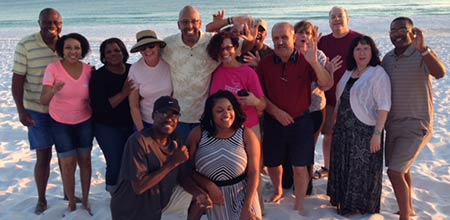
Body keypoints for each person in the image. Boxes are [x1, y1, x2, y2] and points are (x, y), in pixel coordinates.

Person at [257, 22, 332, 215]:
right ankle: (278, 190)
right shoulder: (265, 63)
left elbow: (326, 84)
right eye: (276, 38)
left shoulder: (307, 60)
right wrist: (277, 113)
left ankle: (299, 203)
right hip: (274, 121)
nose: (280, 42)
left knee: (300, 166)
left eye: (284, 37)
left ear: (293, 38)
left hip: (301, 121)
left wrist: (314, 62)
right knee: (273, 163)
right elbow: (260, 95)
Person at [382, 17, 446, 220]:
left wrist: (424, 49)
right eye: (393, 30)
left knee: (394, 171)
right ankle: (407, 208)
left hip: (417, 124)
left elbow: (440, 73)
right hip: (393, 125)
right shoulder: (388, 59)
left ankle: (405, 218)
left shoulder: (421, 54)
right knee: (403, 169)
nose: (397, 34)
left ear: (413, 32)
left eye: (402, 29)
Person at [110, 96, 211, 220]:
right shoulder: (138, 141)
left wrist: (198, 194)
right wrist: (173, 162)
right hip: (131, 210)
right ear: (153, 116)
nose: (169, 119)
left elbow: (182, 177)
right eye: (163, 113)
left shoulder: (175, 140)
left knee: (202, 190)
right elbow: (139, 187)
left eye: (174, 115)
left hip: (158, 204)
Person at [327, 36, 391, 215]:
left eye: (365, 49)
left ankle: (358, 206)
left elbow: (384, 105)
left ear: (372, 52)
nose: (361, 53)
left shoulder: (378, 73)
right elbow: (340, 99)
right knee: (344, 166)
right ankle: (343, 201)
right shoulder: (349, 72)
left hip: (365, 131)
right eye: (357, 49)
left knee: (361, 171)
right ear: (352, 53)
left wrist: (377, 133)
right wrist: (334, 121)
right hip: (344, 130)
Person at [278, 20, 340, 194]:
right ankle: (289, 179)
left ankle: (307, 185)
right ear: (293, 36)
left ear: (313, 37)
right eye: (300, 32)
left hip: (314, 109)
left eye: (308, 33)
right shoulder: (287, 54)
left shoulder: (318, 55)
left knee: (307, 148)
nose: (304, 35)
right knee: (289, 145)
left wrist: (314, 62)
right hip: (290, 109)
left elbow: (324, 85)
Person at [11, 8, 62, 214]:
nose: (51, 26)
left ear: (61, 23)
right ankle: (41, 199)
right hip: (37, 110)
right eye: (46, 22)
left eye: (56, 22)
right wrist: (21, 110)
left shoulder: (65, 44)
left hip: (63, 110)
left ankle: (68, 193)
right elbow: (17, 80)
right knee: (43, 156)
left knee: (66, 154)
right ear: (38, 23)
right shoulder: (26, 45)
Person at [186, 90, 262, 220]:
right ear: (211, 114)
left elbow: (254, 173)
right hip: (210, 199)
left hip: (243, 197)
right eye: (219, 110)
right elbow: (187, 170)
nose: (226, 113)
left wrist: (247, 207)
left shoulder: (246, 135)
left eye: (229, 108)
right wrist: (208, 185)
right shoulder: (198, 134)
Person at [40, 33, 93, 213]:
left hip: (85, 121)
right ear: (62, 50)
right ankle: (71, 202)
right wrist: (53, 90)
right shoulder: (53, 68)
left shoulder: (88, 70)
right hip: (60, 122)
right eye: (68, 47)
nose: (73, 51)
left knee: (85, 161)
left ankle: (85, 199)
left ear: (82, 50)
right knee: (68, 164)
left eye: (77, 48)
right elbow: (43, 100)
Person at [316, 6, 363, 179]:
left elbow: (372, 66)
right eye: (333, 17)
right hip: (328, 98)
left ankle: (348, 169)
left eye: (340, 16)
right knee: (328, 135)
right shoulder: (323, 41)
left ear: (347, 18)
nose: (336, 19)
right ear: (329, 21)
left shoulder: (359, 39)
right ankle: (328, 167)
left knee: (350, 137)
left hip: (353, 98)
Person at [89, 38, 134, 193]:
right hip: (106, 125)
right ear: (103, 56)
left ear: (123, 52)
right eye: (108, 52)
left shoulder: (132, 70)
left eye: (117, 50)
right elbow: (101, 108)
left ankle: (129, 191)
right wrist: (123, 93)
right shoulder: (98, 76)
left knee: (131, 161)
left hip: (131, 123)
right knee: (115, 162)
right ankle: (114, 193)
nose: (113, 54)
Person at [207, 31, 266, 136]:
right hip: (222, 129)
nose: (224, 52)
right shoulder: (215, 71)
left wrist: (255, 101)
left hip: (248, 128)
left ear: (235, 48)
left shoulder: (248, 73)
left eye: (228, 48)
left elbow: (263, 105)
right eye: (220, 49)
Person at [128, 30, 172, 131]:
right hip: (145, 122)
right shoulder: (135, 69)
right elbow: (134, 105)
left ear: (158, 46)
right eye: (143, 47)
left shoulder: (169, 64)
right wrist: (141, 131)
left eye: (151, 46)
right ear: (139, 50)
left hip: (170, 122)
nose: (147, 50)